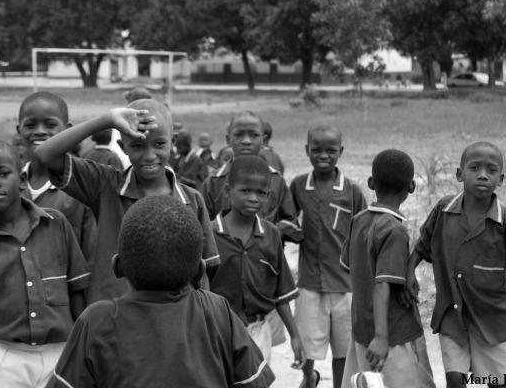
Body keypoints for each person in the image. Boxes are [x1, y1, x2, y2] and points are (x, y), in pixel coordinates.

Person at [48, 195, 275, 388]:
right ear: (200, 270)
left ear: (117, 266)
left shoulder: (96, 321)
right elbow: (252, 381)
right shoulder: (217, 311)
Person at [35, 99, 219, 302]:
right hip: (116, 321)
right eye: (138, 145)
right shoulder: (105, 186)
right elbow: (44, 154)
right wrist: (107, 119)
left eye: (159, 144)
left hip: (175, 322)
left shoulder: (192, 200)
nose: (149, 156)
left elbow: (205, 272)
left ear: (173, 142)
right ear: (123, 147)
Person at [408, 141, 506, 388]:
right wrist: (409, 269)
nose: (483, 175)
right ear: (459, 174)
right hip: (452, 315)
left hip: (495, 320)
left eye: (491, 170)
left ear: (501, 179)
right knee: (455, 380)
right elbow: (423, 243)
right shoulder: (444, 209)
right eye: (474, 168)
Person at [0, 139, 90, 388]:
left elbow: (77, 293)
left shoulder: (57, 225)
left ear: (22, 180)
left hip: (61, 353)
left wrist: (83, 355)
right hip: (3, 357)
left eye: (3, 173)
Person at [341, 149, 435, 388]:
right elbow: (382, 283)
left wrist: (399, 279)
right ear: (412, 187)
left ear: (371, 183)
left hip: (362, 330)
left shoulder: (358, 220)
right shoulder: (394, 230)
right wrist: (382, 337)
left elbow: (347, 266)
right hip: (392, 335)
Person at [208, 155, 306, 369]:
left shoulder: (271, 235)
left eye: (260, 193)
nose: (253, 198)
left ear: (268, 196)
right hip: (216, 331)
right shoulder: (209, 235)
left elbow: (281, 292)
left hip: (258, 331)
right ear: (227, 191)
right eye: (245, 191)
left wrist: (295, 336)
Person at [290, 125, 367, 388]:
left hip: (345, 283)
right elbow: (286, 218)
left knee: (343, 348)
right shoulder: (299, 185)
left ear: (341, 152)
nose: (323, 155)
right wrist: (290, 230)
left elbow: (365, 229)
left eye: (331, 150)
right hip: (310, 281)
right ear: (306, 151)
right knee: (308, 345)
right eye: (317, 149)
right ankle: (308, 378)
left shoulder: (352, 190)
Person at [16, 92, 99, 303]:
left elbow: (92, 258)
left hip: (67, 310)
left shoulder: (82, 189)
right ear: (19, 130)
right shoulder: (9, 186)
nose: (40, 132)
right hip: (18, 309)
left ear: (68, 131)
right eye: (31, 124)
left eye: (50, 124)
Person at [201, 110, 302, 243]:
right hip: (225, 257)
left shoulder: (276, 181)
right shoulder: (213, 183)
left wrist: (268, 233)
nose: (246, 141)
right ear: (228, 139)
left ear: (264, 140)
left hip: (266, 257)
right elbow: (203, 224)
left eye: (254, 135)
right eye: (239, 135)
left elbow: (290, 221)